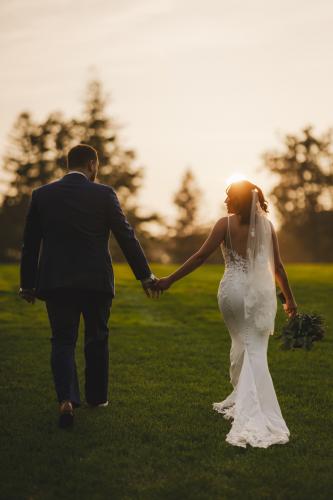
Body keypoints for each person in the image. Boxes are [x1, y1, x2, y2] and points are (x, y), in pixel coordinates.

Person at [19, 144, 159, 428]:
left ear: (68, 164)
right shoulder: (104, 194)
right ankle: (96, 397)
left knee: (62, 340)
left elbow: (31, 243)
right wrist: (145, 275)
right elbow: (126, 236)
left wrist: (27, 284)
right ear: (92, 165)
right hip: (96, 281)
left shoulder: (42, 195)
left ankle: (67, 399)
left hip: (56, 281)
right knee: (97, 337)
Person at [156, 180, 296, 448]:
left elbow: (199, 257)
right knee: (254, 348)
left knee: (242, 345)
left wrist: (169, 280)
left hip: (231, 292)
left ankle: (245, 404)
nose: (226, 200)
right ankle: (250, 404)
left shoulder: (224, 224)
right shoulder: (267, 226)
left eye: (229, 196)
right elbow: (277, 266)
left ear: (240, 200)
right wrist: (290, 300)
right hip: (258, 294)